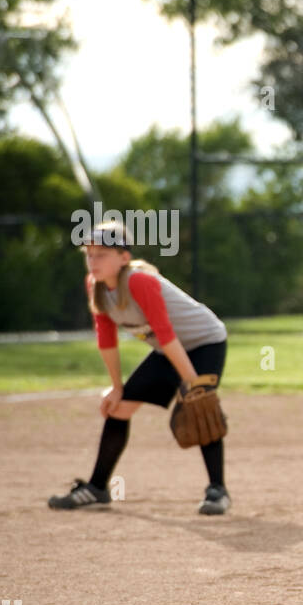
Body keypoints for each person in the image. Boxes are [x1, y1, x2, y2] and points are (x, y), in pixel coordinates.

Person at [47, 220, 231, 514]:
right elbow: (106, 339)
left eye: (102, 254)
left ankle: (217, 492)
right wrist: (117, 388)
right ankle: (97, 488)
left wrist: (192, 384)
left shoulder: (138, 282)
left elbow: (167, 333)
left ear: (123, 257)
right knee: (118, 408)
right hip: (167, 349)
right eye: (89, 254)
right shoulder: (96, 286)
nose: (93, 261)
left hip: (205, 343)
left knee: (200, 407)